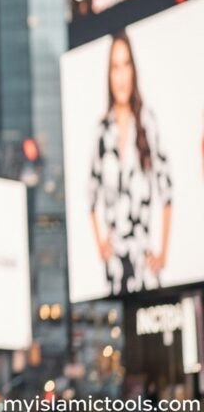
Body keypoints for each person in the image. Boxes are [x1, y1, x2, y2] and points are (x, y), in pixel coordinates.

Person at [88, 31, 173, 296]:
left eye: (126, 65)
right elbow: (91, 194)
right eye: (115, 67)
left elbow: (167, 191)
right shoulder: (103, 130)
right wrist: (101, 243)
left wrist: (162, 253)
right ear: (109, 75)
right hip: (114, 271)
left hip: (144, 267)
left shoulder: (147, 121)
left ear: (133, 70)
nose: (121, 75)